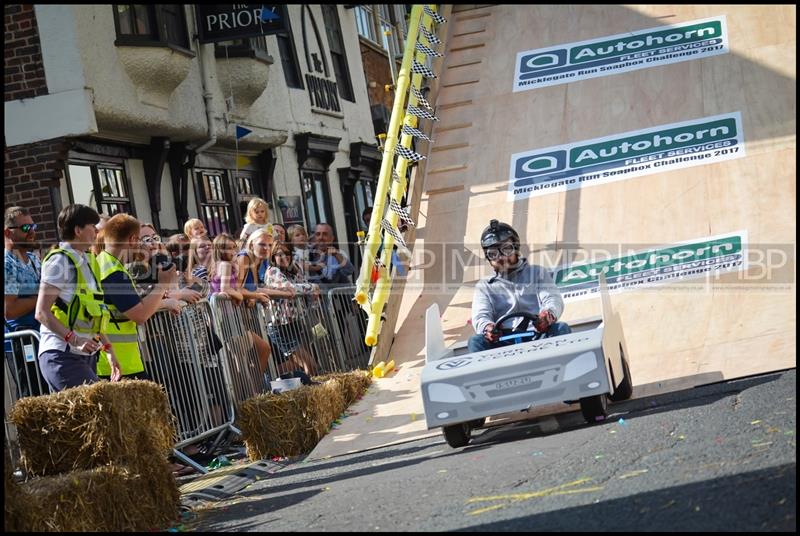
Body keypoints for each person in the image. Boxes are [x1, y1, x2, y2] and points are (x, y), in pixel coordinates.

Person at [34, 204, 121, 392]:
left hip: (84, 354)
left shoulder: (89, 262)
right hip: (61, 354)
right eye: (92, 226)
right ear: (78, 230)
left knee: (84, 419)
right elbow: (41, 312)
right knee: (101, 408)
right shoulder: (59, 261)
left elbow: (95, 313)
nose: (97, 231)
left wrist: (109, 350)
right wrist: (75, 340)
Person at [95, 214, 186, 380]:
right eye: (140, 240)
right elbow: (140, 315)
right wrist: (162, 284)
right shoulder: (112, 272)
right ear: (132, 239)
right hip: (118, 365)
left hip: (118, 361)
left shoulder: (105, 263)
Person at [469, 219, 571, 353]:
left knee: (560, 328)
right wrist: (487, 327)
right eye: (493, 254)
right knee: (476, 341)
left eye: (506, 249)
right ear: (488, 258)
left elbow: (553, 299)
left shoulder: (537, 273)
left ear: (516, 248)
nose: (501, 257)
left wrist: (547, 315)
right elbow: (480, 316)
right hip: (501, 343)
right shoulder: (484, 286)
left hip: (537, 336)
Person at [4, 207, 47, 397]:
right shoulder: (7, 264)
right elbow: (10, 309)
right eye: (25, 227)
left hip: (42, 338)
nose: (32, 231)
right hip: (22, 343)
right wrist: (44, 297)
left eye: (33, 226)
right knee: (33, 397)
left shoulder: (33, 259)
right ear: (8, 232)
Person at [264, 241, 320, 376]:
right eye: (279, 254)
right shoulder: (273, 271)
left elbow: (304, 286)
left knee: (309, 365)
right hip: (280, 327)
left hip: (296, 323)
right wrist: (313, 287)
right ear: (273, 257)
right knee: (309, 365)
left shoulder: (294, 269)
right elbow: (290, 288)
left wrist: (311, 291)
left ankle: (306, 390)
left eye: (287, 253)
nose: (284, 256)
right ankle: (307, 393)